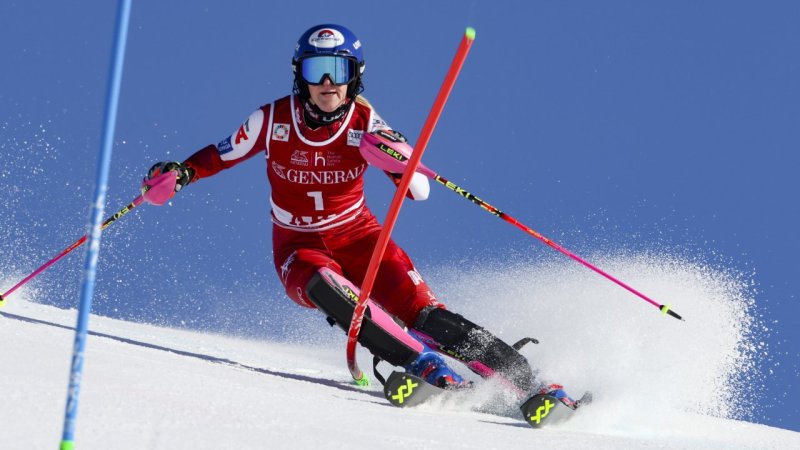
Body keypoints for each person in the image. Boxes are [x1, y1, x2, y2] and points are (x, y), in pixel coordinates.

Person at [145, 24, 574, 404]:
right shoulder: (272, 119)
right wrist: (179, 174)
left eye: (339, 70)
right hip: (299, 247)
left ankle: (530, 382)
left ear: (355, 76)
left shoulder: (366, 121)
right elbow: (220, 155)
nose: (327, 82)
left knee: (424, 314)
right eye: (316, 70)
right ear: (299, 75)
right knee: (326, 285)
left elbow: (419, 190)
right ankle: (423, 365)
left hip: (361, 238)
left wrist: (394, 158)